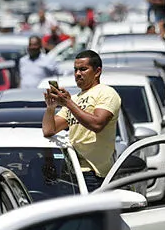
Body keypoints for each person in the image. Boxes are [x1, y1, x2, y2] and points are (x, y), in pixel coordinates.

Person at [42, 50, 121, 192]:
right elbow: (49, 130)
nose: (78, 74)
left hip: (94, 174)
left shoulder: (106, 93)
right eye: (75, 70)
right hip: (73, 173)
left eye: (83, 69)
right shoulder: (76, 98)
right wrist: (50, 108)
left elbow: (97, 124)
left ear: (97, 72)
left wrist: (68, 103)